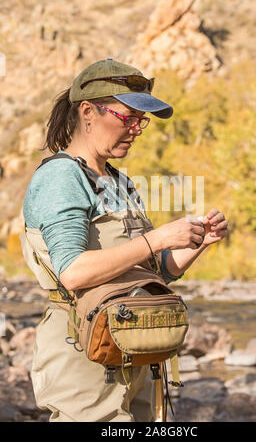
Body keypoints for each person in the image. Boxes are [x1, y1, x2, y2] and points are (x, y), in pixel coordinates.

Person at [22, 58, 228, 422]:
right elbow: (72, 271)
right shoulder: (62, 178)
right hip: (84, 353)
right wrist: (159, 238)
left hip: (134, 347)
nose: (136, 129)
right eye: (127, 117)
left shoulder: (118, 182)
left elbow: (156, 271)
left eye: (141, 121)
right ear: (87, 111)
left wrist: (197, 243)